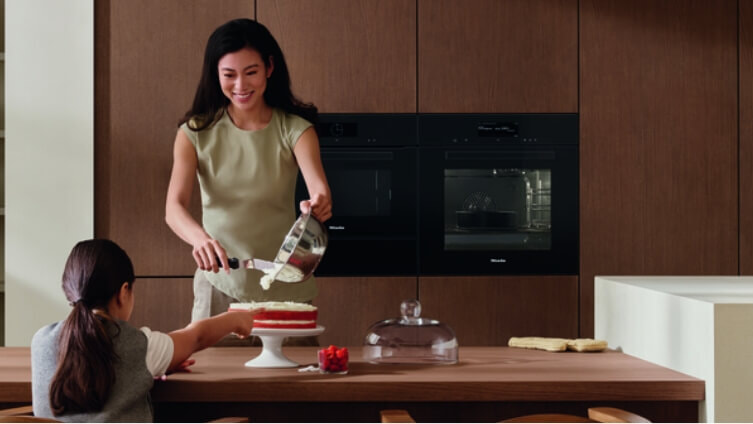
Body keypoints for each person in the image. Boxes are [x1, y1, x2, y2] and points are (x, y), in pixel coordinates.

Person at [165, 18, 332, 323]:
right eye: (229, 75)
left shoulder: (296, 129)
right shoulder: (194, 133)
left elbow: (318, 189)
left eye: (251, 73)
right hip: (220, 285)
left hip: (287, 287)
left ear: (269, 68)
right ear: (215, 75)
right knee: (212, 372)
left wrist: (317, 204)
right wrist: (200, 239)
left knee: (291, 373)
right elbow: (173, 208)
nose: (240, 86)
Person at [31, 239, 263, 422]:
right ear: (124, 292)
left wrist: (155, 364)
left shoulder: (40, 341)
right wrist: (235, 319)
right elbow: (196, 336)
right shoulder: (138, 345)